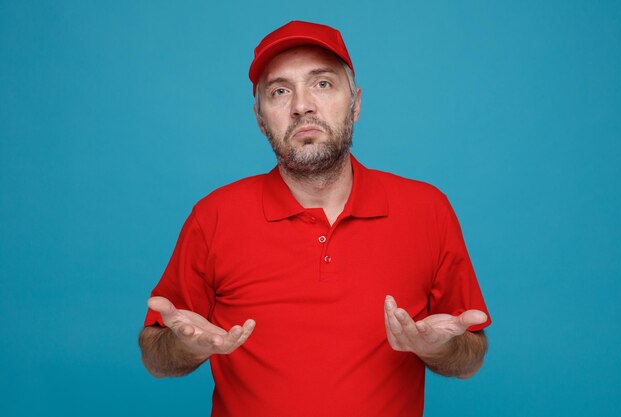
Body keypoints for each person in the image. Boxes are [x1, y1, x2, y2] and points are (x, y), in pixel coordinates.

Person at [139, 20, 491, 417]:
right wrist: (185, 347)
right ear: (259, 118)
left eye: (322, 84)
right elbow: (157, 356)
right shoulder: (214, 216)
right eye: (280, 91)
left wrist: (439, 348)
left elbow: (469, 356)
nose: (302, 104)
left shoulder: (427, 210)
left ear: (355, 104)